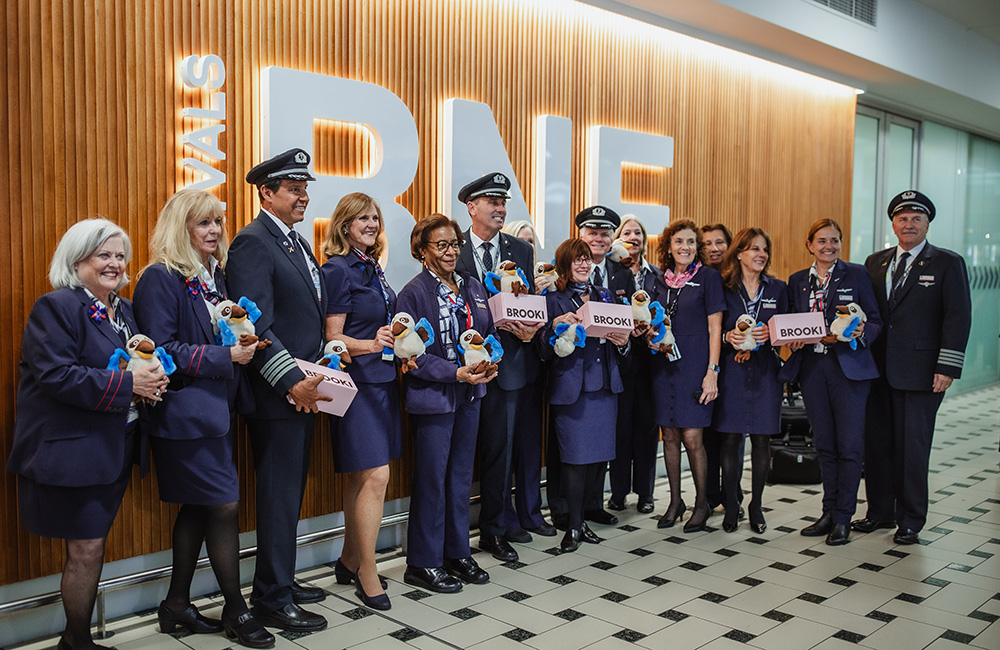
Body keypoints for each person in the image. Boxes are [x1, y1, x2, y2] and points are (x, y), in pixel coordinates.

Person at [7, 219, 167, 650]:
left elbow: (136, 366)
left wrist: (154, 381)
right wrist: (129, 386)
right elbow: (57, 377)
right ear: (77, 260)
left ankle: (75, 640)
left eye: (120, 255)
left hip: (113, 449)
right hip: (74, 453)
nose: (114, 264)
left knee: (91, 547)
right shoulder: (56, 307)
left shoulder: (126, 310)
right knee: (86, 549)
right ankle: (76, 641)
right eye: (104, 255)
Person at [132, 190, 273, 647]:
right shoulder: (160, 278)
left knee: (200, 504)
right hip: (185, 416)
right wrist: (226, 355)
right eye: (203, 224)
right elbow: (162, 349)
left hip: (216, 413)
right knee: (223, 504)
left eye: (217, 222)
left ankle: (175, 605)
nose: (214, 232)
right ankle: (236, 609)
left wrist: (245, 345)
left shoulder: (216, 278)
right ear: (181, 228)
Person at [226, 149, 331, 632]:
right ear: (266, 192)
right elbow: (256, 323)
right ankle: (270, 598)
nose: (303, 195)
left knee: (288, 494)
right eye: (293, 188)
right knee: (277, 496)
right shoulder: (252, 242)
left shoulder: (293, 241)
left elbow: (304, 313)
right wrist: (292, 382)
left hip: (302, 389)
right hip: (278, 396)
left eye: (305, 187)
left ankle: (280, 581)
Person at [856, 190, 971, 545]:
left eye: (916, 219)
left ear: (927, 224)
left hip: (921, 372)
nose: (909, 224)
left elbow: (958, 317)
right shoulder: (875, 262)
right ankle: (879, 512)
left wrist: (947, 367)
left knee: (912, 447)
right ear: (893, 224)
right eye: (903, 218)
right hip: (876, 370)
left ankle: (910, 519)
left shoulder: (947, 263)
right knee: (876, 444)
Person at [398, 214, 498, 593]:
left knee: (459, 479)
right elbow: (410, 354)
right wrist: (455, 373)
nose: (451, 251)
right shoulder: (412, 293)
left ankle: (457, 553)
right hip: (435, 398)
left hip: (471, 396)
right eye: (441, 245)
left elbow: (486, 335)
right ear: (422, 251)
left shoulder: (472, 286)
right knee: (431, 480)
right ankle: (423, 562)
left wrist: (490, 359)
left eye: (455, 243)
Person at [454, 174, 547, 562]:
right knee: (459, 456)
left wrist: (529, 327)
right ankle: (453, 540)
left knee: (500, 453)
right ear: (471, 207)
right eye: (491, 201)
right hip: (461, 367)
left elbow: (527, 302)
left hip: (508, 365)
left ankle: (494, 530)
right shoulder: (450, 245)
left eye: (503, 201)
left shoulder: (519, 250)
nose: (500, 208)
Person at [319, 193, 402, 610]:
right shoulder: (337, 269)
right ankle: (367, 572)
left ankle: (350, 559)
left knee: (362, 478)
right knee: (376, 476)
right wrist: (371, 343)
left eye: (375, 217)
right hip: (355, 386)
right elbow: (333, 335)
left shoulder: (373, 268)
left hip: (383, 382)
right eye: (362, 218)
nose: (371, 223)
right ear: (344, 224)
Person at [780, 218, 881, 546]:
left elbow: (876, 321)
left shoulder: (857, 274)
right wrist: (792, 340)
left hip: (849, 370)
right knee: (824, 445)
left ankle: (843, 518)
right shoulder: (797, 281)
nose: (828, 246)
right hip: (812, 369)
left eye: (834, 240)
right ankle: (827, 512)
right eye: (821, 241)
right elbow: (791, 323)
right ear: (809, 245)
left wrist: (860, 332)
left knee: (849, 447)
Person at [540, 238, 631, 552]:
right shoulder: (553, 298)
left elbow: (623, 337)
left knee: (597, 459)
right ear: (565, 263)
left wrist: (623, 343)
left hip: (605, 385)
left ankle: (584, 521)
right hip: (572, 388)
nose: (583, 264)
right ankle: (572, 526)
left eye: (586, 259)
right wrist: (554, 326)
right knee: (575, 460)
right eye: (576, 260)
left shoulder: (604, 295)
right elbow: (540, 347)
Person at [648, 219, 724, 533]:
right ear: (668, 246)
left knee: (693, 437)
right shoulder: (658, 281)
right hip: (664, 366)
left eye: (692, 242)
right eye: (679, 241)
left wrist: (712, 373)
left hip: (695, 366)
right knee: (669, 438)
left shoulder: (708, 278)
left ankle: (703, 502)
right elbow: (650, 320)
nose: (686, 247)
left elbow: (715, 328)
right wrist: (649, 335)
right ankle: (675, 501)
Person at [714, 228, 788, 535]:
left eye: (764, 249)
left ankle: (756, 505)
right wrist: (726, 336)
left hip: (765, 371)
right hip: (732, 370)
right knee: (731, 440)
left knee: (761, 440)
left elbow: (789, 328)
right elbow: (711, 328)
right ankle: (732, 504)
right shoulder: (723, 287)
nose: (760, 254)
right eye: (754, 248)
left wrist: (773, 334)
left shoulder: (778, 289)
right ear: (740, 253)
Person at [607, 215, 659, 514]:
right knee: (620, 428)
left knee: (647, 429)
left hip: (651, 361)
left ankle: (646, 492)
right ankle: (618, 492)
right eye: (627, 232)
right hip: (621, 359)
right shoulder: (612, 272)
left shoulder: (658, 275)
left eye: (638, 232)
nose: (633, 237)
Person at [700, 223, 739, 514]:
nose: (714, 248)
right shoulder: (700, 280)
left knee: (732, 435)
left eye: (719, 242)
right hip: (704, 366)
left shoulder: (739, 281)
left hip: (736, 367)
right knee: (708, 434)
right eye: (707, 244)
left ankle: (733, 494)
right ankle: (710, 493)